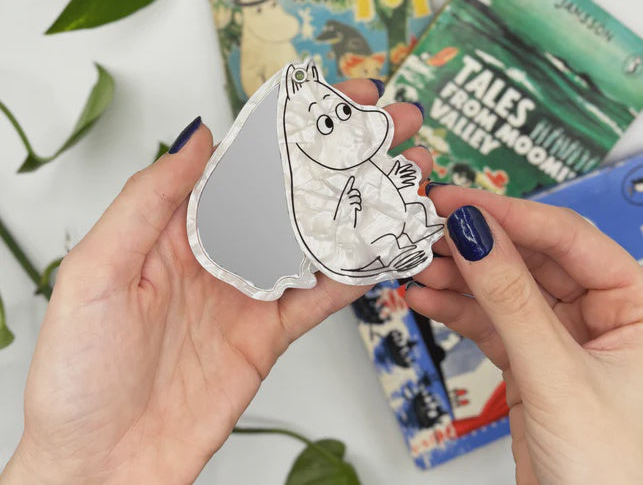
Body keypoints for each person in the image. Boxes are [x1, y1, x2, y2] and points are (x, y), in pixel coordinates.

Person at [1, 79, 642, 484]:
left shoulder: (346, 198)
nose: (352, 118)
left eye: (335, 114)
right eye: (329, 122)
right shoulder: (325, 217)